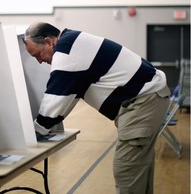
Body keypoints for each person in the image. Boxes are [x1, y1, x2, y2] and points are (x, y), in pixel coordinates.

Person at [22, 22, 171, 194]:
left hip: (142, 103)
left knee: (127, 172)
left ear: (49, 42)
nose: (40, 61)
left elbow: (55, 102)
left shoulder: (66, 52)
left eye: (38, 55)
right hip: (149, 100)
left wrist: (35, 132)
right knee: (138, 170)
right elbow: (69, 97)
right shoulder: (73, 40)